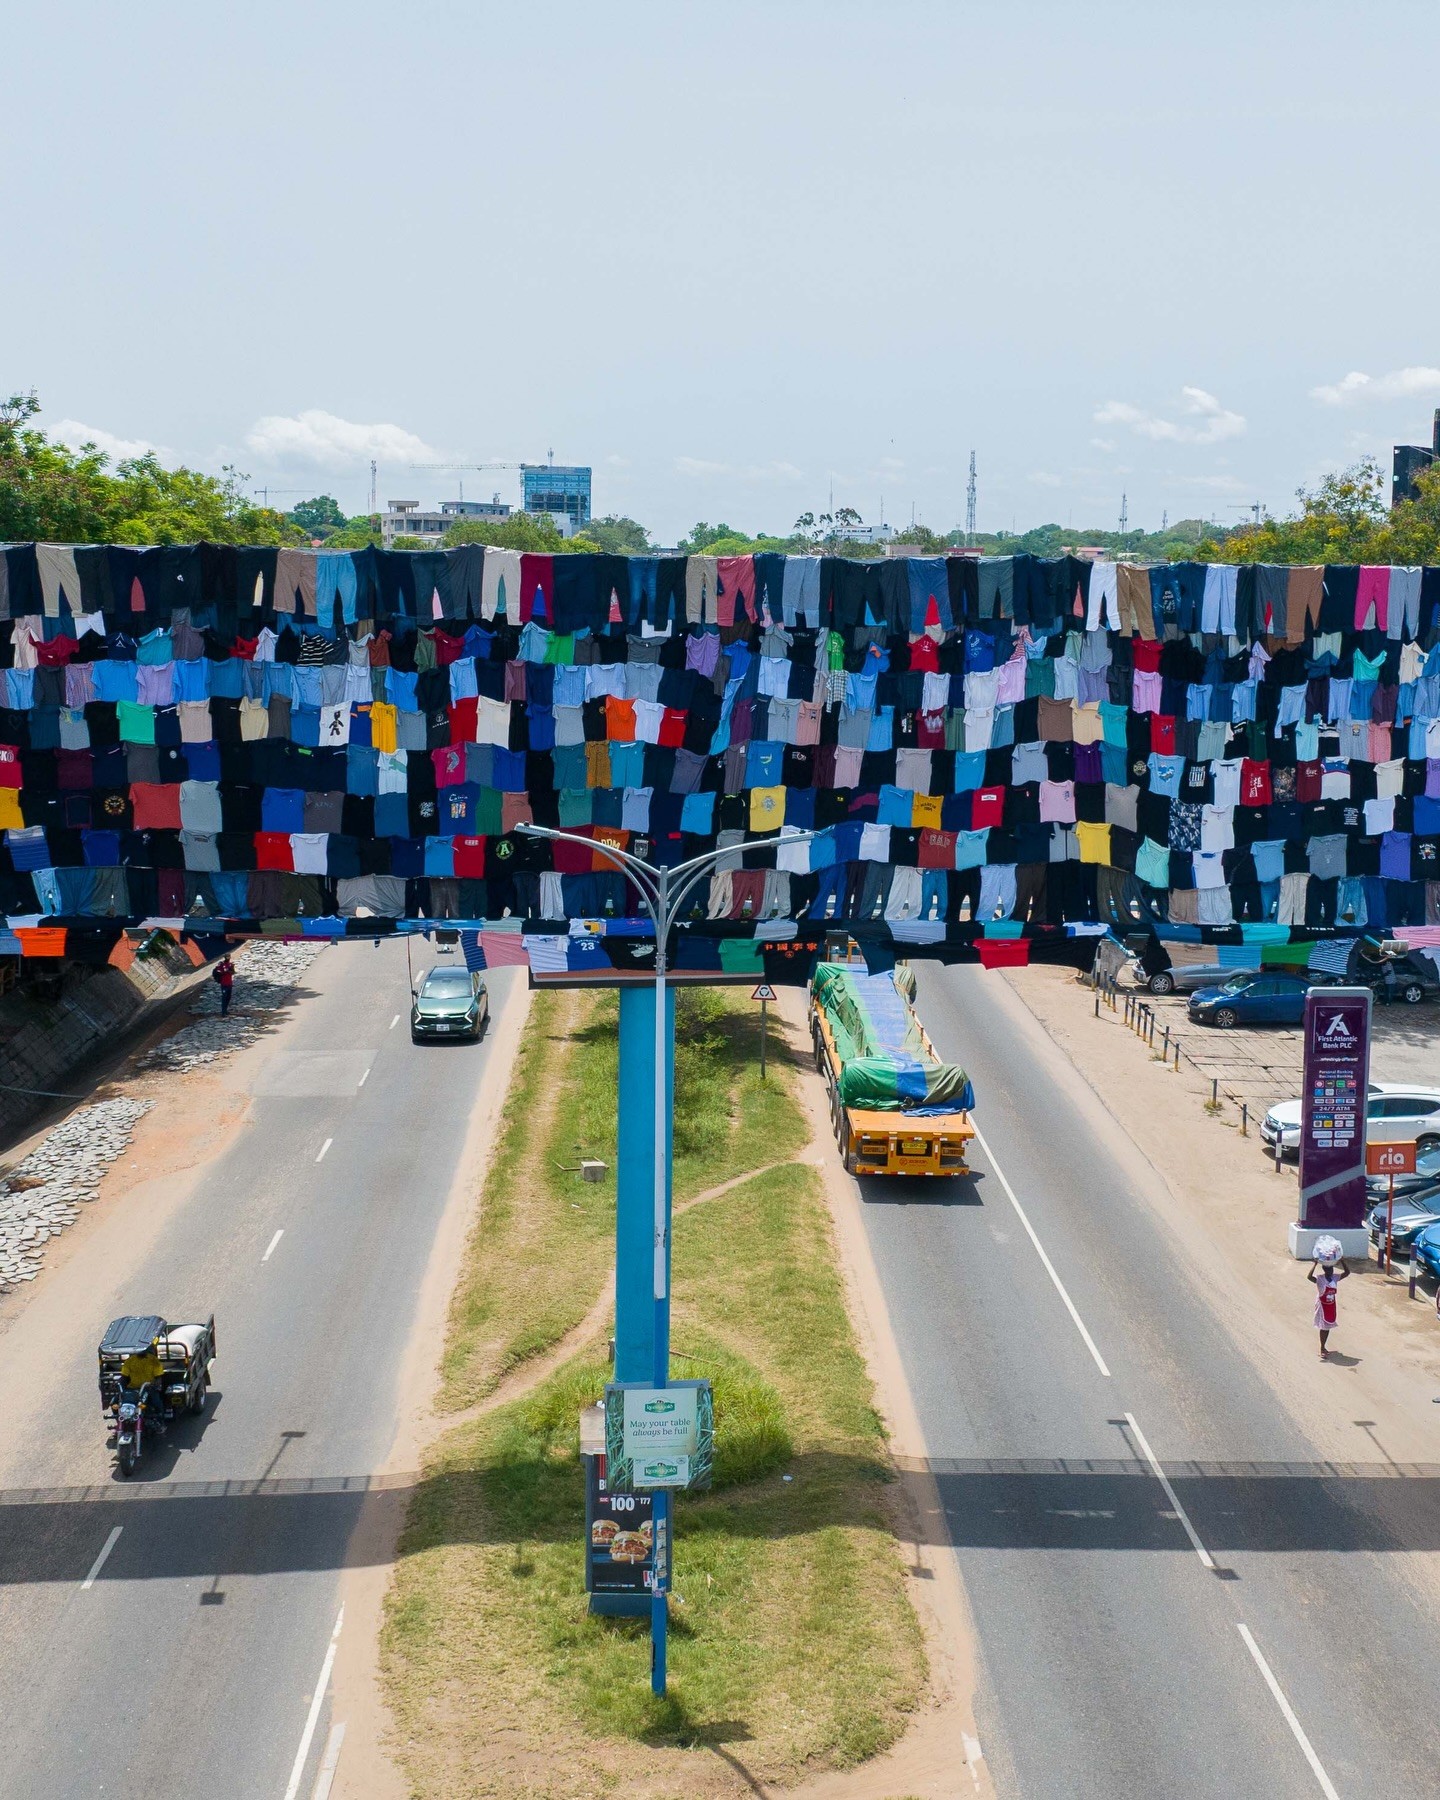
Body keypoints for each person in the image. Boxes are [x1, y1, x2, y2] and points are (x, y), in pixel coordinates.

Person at [1308, 1256, 1349, 1359]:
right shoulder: (1320, 1278)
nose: (1330, 1271)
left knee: (1328, 1326)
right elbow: (1309, 1277)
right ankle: (1322, 1348)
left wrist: (1343, 1261)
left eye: (1331, 1269)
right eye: (1328, 1269)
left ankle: (1324, 1347)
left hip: (1331, 1305)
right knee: (1323, 1327)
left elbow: (1347, 1273)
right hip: (1322, 1305)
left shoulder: (1335, 1277)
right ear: (1324, 1270)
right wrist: (1315, 1264)